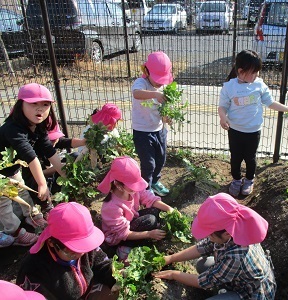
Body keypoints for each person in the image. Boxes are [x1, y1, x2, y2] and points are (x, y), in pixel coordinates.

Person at [154, 193, 276, 300]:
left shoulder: (236, 256)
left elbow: (206, 282)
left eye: (210, 235)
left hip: (251, 293)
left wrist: (173, 274)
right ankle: (225, 289)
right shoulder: (231, 228)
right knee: (202, 264)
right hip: (239, 277)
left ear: (226, 233)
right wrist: (170, 258)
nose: (207, 237)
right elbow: (202, 247)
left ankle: (228, 293)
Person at [218, 50, 288, 197]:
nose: (257, 75)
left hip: (253, 131)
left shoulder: (259, 85)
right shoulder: (230, 87)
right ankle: (236, 180)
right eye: (254, 72)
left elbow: (270, 103)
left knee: (250, 157)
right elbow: (222, 106)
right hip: (235, 130)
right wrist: (222, 117)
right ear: (241, 71)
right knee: (236, 157)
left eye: (258, 71)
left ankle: (249, 179)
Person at [0, 83, 65, 247]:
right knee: (4, 204)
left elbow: (49, 150)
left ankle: (33, 217)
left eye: (45, 105)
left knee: (22, 192)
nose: (40, 109)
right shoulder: (12, 129)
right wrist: (42, 183)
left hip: (13, 168)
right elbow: (31, 157)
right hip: (0, 173)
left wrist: (66, 174)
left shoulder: (38, 126)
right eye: (33, 104)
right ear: (21, 104)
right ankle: (15, 232)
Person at [16, 202, 118, 300]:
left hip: (88, 290)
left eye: (84, 248)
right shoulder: (33, 269)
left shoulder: (87, 247)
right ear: (51, 242)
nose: (81, 254)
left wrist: (116, 280)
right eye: (73, 251)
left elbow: (103, 265)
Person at [99, 156, 175, 261]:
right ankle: (122, 249)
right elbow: (123, 233)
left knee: (156, 210)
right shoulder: (111, 207)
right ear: (117, 184)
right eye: (132, 185)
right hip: (118, 238)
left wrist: (169, 209)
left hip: (130, 224)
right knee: (150, 220)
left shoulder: (133, 190)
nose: (136, 188)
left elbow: (150, 198)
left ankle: (148, 237)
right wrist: (149, 234)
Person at [131, 51, 174, 196]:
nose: (160, 83)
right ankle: (145, 189)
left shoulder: (163, 87)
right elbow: (137, 94)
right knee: (148, 163)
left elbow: (163, 109)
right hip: (142, 131)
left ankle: (155, 181)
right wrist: (155, 94)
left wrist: (167, 117)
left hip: (159, 129)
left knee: (161, 158)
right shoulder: (141, 83)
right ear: (147, 71)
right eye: (158, 79)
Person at [22, 122, 86, 215]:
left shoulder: (55, 141)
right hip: (38, 184)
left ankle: (70, 193)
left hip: (54, 177)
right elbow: (37, 174)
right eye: (51, 140)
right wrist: (59, 167)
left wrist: (83, 142)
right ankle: (46, 207)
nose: (54, 142)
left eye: (56, 138)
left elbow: (68, 142)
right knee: (38, 181)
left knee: (75, 155)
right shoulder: (34, 151)